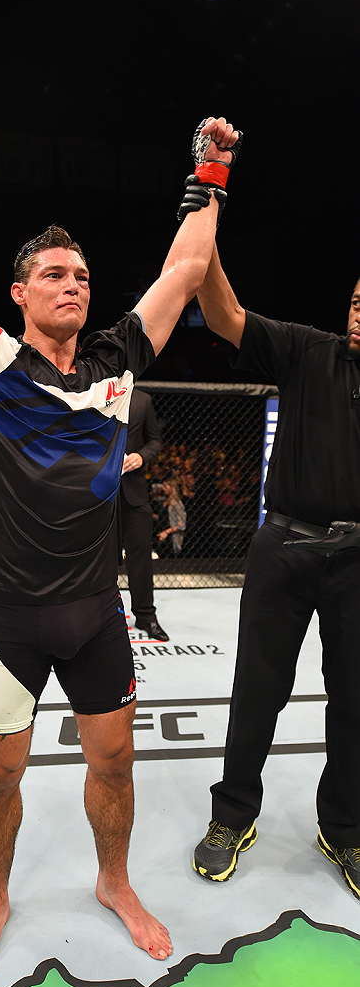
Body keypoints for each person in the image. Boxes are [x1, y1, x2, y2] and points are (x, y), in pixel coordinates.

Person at [0, 11, 240, 987]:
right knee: (0, 774)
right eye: (53, 275)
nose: (74, 283)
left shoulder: (117, 362)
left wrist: (209, 177)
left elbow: (186, 271)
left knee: (113, 767)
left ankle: (114, 882)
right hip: (11, 620)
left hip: (94, 616)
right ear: (18, 293)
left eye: (80, 274)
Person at [191, 246, 360, 902]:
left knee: (354, 700)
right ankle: (233, 816)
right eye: (353, 299)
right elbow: (222, 312)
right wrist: (204, 211)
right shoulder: (306, 349)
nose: (356, 311)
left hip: (357, 561)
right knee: (257, 692)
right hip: (283, 547)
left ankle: (344, 827)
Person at [118, 389, 168, 640]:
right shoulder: (89, 391)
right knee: (94, 557)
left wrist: (141, 456)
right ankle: (96, 618)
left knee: (140, 555)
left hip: (133, 491)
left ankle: (146, 616)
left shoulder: (142, 400)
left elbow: (155, 441)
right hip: (94, 492)